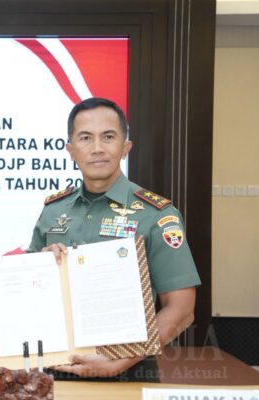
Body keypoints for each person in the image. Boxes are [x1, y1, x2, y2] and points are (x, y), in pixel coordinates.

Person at [28, 97, 201, 378]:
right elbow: (28, 294)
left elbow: (181, 310)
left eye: (108, 137)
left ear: (125, 147)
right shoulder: (53, 210)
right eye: (85, 138)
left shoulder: (156, 215)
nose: (97, 148)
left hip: (129, 372)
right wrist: (41, 269)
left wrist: (118, 361)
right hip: (54, 368)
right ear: (71, 150)